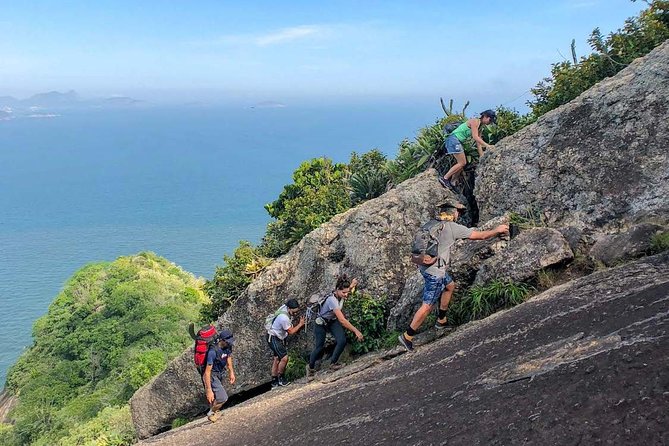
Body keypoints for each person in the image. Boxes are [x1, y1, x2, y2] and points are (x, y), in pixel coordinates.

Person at [399, 201, 508, 352]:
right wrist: (497, 230)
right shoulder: (452, 227)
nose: (459, 215)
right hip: (435, 273)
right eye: (458, 212)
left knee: (449, 286)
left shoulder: (432, 224)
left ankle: (441, 320)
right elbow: (481, 236)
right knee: (427, 305)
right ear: (453, 213)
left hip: (426, 267)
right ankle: (407, 336)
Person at [306, 276, 364, 380]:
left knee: (341, 340)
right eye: (344, 293)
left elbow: (346, 289)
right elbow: (342, 320)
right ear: (337, 290)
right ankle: (310, 369)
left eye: (347, 293)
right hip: (321, 323)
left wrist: (352, 285)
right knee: (319, 347)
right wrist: (356, 331)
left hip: (332, 321)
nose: (346, 295)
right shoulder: (332, 300)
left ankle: (333, 363)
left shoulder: (340, 292)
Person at [439, 109, 497, 189]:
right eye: (490, 120)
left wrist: (481, 156)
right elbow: (475, 137)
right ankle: (444, 179)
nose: (490, 123)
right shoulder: (475, 121)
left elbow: (478, 142)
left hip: (457, 141)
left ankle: (453, 182)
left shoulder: (480, 127)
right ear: (485, 116)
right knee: (462, 163)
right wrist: (488, 146)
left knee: (462, 163)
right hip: (453, 139)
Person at [267, 298, 305, 388]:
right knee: (284, 358)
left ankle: (274, 381)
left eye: (297, 312)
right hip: (274, 337)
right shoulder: (283, 318)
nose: (295, 314)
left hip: (274, 336)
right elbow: (291, 331)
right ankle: (281, 378)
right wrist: (300, 324)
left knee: (277, 358)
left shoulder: (284, 308)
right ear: (288, 308)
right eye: (294, 312)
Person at [202, 329, 236, 423]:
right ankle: (211, 412)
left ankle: (214, 413)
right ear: (222, 340)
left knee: (216, 396)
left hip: (219, 373)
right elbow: (207, 372)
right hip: (212, 375)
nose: (229, 343)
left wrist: (231, 372)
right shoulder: (213, 352)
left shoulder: (228, 347)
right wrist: (208, 390)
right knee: (223, 398)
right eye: (227, 342)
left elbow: (228, 359)